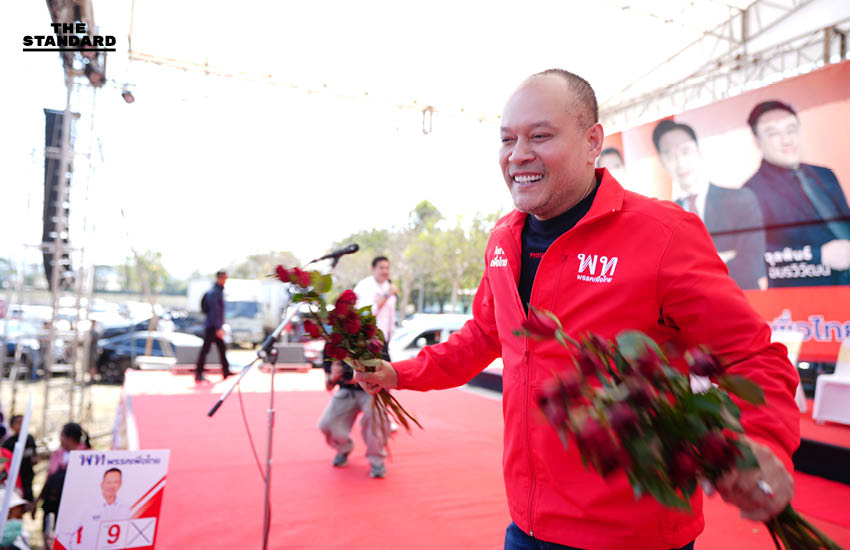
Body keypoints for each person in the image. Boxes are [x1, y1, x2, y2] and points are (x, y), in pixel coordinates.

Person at [355, 69, 799, 550]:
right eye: (507, 139)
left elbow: (753, 355)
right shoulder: (503, 239)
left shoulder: (664, 234)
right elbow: (484, 335)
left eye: (539, 136)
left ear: (592, 142)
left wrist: (765, 441)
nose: (517, 154)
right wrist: (399, 372)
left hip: (633, 538)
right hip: (526, 526)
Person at [743, 100, 850, 286]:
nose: (787, 140)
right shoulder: (750, 193)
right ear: (757, 141)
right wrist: (819, 256)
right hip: (805, 297)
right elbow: (754, 257)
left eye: (791, 129)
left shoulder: (824, 174)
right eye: (773, 133)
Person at [652, 119, 767, 290]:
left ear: (698, 151)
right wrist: (721, 259)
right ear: (661, 162)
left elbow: (752, 265)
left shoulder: (740, 200)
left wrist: (686, 269)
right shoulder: (661, 217)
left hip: (740, 304)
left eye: (685, 151)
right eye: (669, 154)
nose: (680, 162)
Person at [317, 350, 388, 479]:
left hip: (372, 390)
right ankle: (344, 447)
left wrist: (364, 376)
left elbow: (387, 372)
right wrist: (334, 376)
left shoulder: (371, 336)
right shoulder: (332, 343)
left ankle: (377, 460)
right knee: (325, 424)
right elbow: (328, 386)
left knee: (376, 418)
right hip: (346, 391)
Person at [36, 423, 90, 540]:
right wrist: (38, 500)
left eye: (61, 435)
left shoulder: (87, 455)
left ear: (69, 438)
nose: (60, 439)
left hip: (73, 505)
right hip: (52, 502)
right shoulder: (57, 454)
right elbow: (49, 478)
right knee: (49, 534)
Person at [57, 468, 131, 549]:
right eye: (108, 482)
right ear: (102, 484)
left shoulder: (125, 507)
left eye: (116, 482)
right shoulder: (87, 505)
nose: (112, 486)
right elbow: (64, 534)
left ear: (120, 484)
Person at [195, 270, 232, 382]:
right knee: (206, 349)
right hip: (212, 326)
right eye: (224, 278)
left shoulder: (218, 291)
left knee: (221, 348)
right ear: (219, 278)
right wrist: (218, 328)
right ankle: (198, 373)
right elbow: (215, 311)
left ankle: (225, 371)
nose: (225, 280)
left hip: (214, 325)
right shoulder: (215, 292)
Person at [353, 256, 398, 344]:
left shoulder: (388, 285)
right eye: (381, 268)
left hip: (385, 339)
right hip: (368, 339)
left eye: (387, 268)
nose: (385, 271)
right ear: (373, 269)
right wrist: (386, 295)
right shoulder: (365, 285)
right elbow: (367, 313)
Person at [1, 416, 37, 502]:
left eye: (23, 422)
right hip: (14, 480)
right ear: (12, 426)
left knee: (27, 502)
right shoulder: (8, 444)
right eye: (18, 422)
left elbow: (34, 456)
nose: (21, 425)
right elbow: (5, 468)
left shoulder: (30, 439)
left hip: (27, 478)